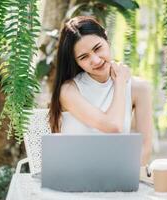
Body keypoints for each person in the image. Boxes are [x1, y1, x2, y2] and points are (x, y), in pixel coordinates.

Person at [48, 16, 153, 165]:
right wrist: (120, 83)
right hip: (75, 174)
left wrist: (132, 181)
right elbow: (113, 126)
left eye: (98, 48)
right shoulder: (69, 90)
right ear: (76, 62)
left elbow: (145, 147)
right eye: (84, 57)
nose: (96, 60)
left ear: (106, 39)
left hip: (119, 176)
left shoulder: (139, 88)